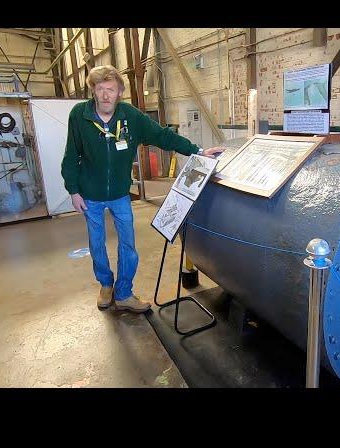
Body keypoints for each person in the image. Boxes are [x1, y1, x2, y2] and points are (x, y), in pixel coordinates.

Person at [61, 65, 223, 313]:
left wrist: (197, 151)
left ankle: (124, 293)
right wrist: (73, 190)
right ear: (93, 91)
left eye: (111, 90)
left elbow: (162, 136)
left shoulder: (130, 117)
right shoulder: (79, 115)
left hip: (119, 195)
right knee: (97, 244)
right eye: (100, 89)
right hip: (90, 195)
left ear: (119, 92)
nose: (105, 95)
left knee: (128, 245)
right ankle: (106, 285)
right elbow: (71, 155)